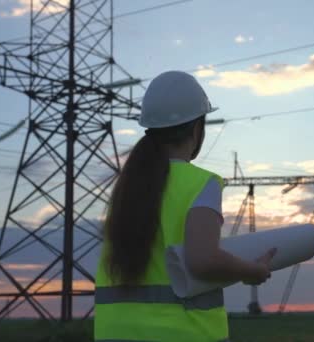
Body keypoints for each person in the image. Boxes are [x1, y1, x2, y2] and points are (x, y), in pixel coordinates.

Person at [94, 70, 277, 342]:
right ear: (196, 128)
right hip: (184, 334)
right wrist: (252, 271)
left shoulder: (128, 188)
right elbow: (202, 260)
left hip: (116, 333)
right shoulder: (200, 183)